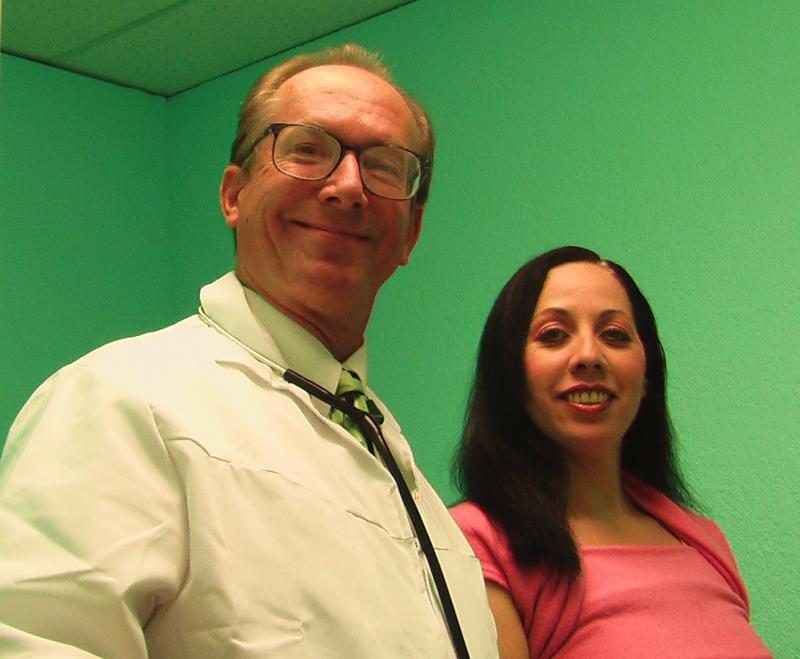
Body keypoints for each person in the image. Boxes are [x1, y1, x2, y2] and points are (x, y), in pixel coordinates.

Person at [0, 44, 497, 657]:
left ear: (411, 234)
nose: (348, 187)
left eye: (385, 166)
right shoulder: (122, 400)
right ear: (234, 195)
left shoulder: (408, 481)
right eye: (308, 149)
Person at [451, 246, 772, 658]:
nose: (589, 356)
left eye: (615, 335)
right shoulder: (476, 543)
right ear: (510, 374)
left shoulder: (705, 541)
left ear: (648, 374)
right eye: (554, 335)